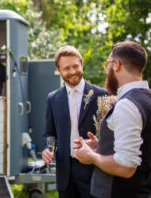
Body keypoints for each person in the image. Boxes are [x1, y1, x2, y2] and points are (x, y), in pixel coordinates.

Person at [74, 41, 151, 198]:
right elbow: (140, 145)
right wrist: (102, 145)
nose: (106, 71)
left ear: (116, 65)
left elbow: (125, 167)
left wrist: (92, 157)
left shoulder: (127, 105)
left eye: (107, 65)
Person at [42, 45, 107, 198]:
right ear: (58, 70)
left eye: (75, 66)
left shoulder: (101, 96)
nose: (72, 72)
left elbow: (110, 134)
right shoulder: (52, 99)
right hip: (65, 172)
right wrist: (47, 148)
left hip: (93, 170)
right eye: (66, 68)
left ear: (81, 64)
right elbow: (49, 133)